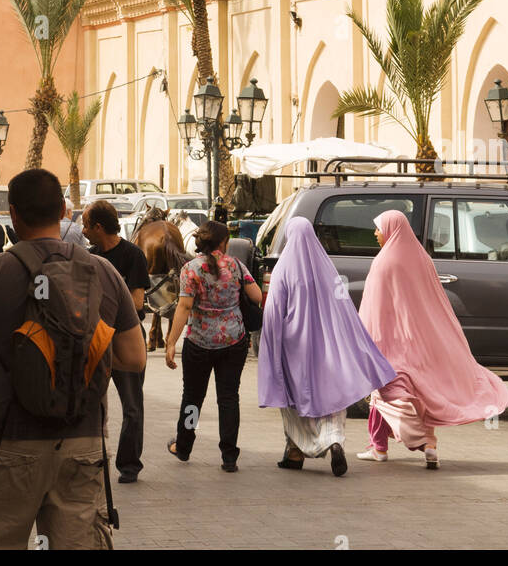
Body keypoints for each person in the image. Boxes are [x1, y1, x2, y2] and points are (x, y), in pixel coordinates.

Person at [0, 168, 145, 550]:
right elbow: (134, 357)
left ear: (13, 214)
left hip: (9, 443)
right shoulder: (103, 271)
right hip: (83, 444)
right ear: (64, 210)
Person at [358, 211, 508, 467]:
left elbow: (373, 308)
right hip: (423, 342)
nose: (375, 233)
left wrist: (365, 341)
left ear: (390, 229)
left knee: (386, 394)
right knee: (424, 396)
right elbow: (434, 303)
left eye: (378, 228)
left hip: (392, 344)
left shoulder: (383, 262)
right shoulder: (422, 259)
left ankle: (411, 442)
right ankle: (397, 445)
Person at [258, 217, 395, 476]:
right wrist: (351, 340)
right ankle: (333, 440)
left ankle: (296, 452)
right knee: (329, 393)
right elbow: (343, 307)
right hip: (326, 345)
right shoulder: (327, 267)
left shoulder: (283, 268)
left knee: (294, 400)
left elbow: (274, 312)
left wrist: (270, 345)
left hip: (293, 346)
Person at [165, 220, 262, 472]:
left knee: (192, 399)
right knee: (229, 399)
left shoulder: (191, 269)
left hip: (199, 342)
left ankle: (184, 446)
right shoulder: (236, 265)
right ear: (223, 242)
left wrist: (171, 342)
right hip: (233, 341)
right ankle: (229, 456)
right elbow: (257, 297)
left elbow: (184, 307)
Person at [82, 200, 150, 484]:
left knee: (132, 406)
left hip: (124, 338)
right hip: (94, 339)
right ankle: (88, 458)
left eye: (86, 225)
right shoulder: (87, 257)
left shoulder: (133, 255)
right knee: (86, 403)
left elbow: (136, 301)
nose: (83, 230)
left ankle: (129, 464)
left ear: (98, 227)